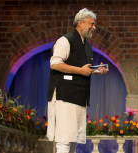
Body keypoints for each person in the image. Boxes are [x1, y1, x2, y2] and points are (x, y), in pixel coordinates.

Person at [46, 8, 107, 153]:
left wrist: (96, 71)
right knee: (64, 138)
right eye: (91, 24)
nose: (94, 27)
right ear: (80, 22)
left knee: (73, 139)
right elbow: (54, 64)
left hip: (79, 96)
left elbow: (83, 68)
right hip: (64, 94)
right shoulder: (65, 40)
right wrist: (80, 71)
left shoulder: (87, 45)